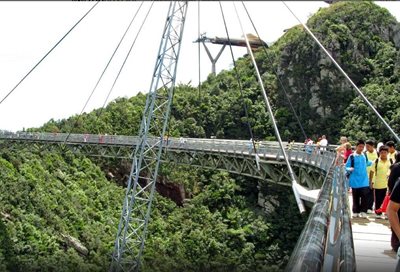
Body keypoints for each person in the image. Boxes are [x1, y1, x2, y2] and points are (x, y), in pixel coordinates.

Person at [346, 139, 372, 218]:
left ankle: (363, 211)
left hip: (364, 179)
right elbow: (346, 166)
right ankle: (355, 211)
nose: (361, 148)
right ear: (356, 147)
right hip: (355, 179)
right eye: (360, 146)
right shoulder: (352, 156)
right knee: (355, 196)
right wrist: (349, 169)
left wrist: (374, 162)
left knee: (365, 196)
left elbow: (367, 163)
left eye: (362, 147)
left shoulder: (364, 155)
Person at [369, 145, 392, 218]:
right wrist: (370, 182)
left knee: (387, 199)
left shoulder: (390, 161)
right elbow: (371, 172)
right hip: (378, 183)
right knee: (378, 199)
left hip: (388, 184)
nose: (383, 154)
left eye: (385, 152)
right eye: (382, 152)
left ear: (387, 153)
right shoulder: (376, 161)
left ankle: (386, 213)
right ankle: (378, 213)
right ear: (379, 153)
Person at [364, 139, 379, 212]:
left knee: (371, 191)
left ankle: (369, 207)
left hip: (374, 175)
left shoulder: (378, 153)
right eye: (366, 146)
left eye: (368, 146)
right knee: (365, 191)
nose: (366, 148)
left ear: (373, 146)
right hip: (365, 175)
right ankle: (366, 206)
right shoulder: (364, 153)